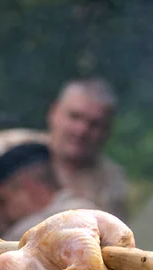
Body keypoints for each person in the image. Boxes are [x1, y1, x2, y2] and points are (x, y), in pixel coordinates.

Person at [44, 78, 130, 221]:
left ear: (107, 131)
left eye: (94, 124)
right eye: (75, 116)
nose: (82, 130)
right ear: (54, 112)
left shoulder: (112, 181)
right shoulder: (10, 149)